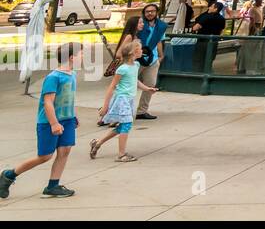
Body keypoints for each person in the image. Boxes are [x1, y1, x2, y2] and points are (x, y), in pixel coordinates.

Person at [0, 43, 83, 200]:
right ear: (72, 57)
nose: (83, 57)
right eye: (82, 54)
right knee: (45, 156)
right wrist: (54, 123)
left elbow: (68, 99)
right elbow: (48, 103)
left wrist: (73, 116)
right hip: (49, 122)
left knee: (65, 151)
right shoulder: (53, 77)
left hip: (67, 120)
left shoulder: (72, 74)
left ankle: (53, 186)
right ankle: (9, 175)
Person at [89, 39, 159, 163]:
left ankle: (97, 143)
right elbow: (112, 86)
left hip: (130, 99)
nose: (142, 51)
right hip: (122, 99)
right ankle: (121, 155)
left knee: (123, 126)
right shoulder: (122, 69)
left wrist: (148, 89)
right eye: (140, 49)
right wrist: (105, 107)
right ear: (133, 53)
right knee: (126, 125)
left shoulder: (136, 65)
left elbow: (134, 81)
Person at [135, 3, 166, 121]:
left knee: (150, 84)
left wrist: (161, 55)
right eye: (147, 11)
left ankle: (142, 111)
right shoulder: (140, 24)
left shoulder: (161, 26)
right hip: (137, 58)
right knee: (125, 83)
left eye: (152, 11)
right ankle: (110, 111)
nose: (150, 13)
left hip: (152, 59)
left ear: (156, 12)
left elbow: (159, 41)